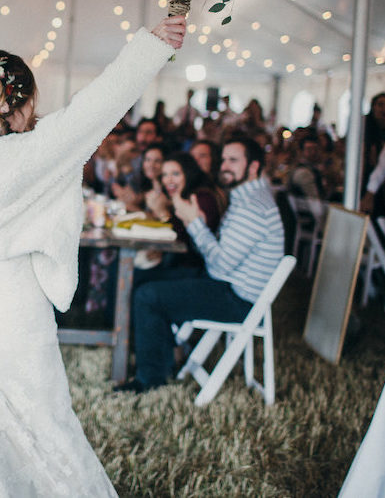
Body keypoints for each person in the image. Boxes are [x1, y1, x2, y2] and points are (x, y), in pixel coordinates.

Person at [0, 14, 186, 496]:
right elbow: (98, 105)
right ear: (17, 104)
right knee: (39, 417)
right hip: (17, 302)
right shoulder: (31, 155)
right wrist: (151, 46)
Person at [118, 137, 284, 394]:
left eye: (234, 160)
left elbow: (219, 264)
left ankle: (149, 379)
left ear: (253, 167)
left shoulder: (253, 206)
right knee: (146, 282)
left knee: (147, 295)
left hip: (238, 298)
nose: (225, 166)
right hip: (229, 284)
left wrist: (193, 222)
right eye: (224, 159)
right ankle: (164, 360)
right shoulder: (246, 197)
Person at [138, 151, 225, 284]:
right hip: (182, 264)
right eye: (165, 175)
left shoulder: (202, 199)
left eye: (176, 174)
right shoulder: (183, 195)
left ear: (188, 174)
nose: (169, 180)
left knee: (136, 277)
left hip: (198, 271)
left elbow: (189, 244)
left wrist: (163, 213)